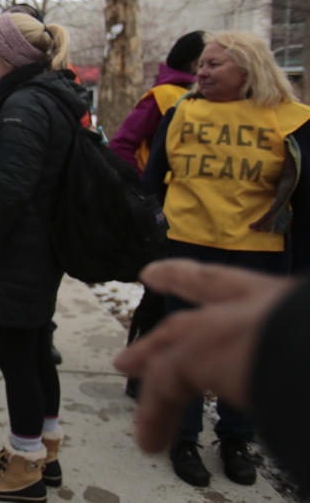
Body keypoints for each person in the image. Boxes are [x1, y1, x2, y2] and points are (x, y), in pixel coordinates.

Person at [140, 30, 310, 489]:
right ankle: (184, 438)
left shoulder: (289, 119)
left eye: (215, 64)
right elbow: (153, 178)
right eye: (202, 64)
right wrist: (157, 224)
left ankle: (235, 438)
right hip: (189, 247)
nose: (202, 71)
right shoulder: (181, 112)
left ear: (248, 69)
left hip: (258, 255)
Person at [0, 12, 88, 501]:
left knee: (17, 358)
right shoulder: (46, 98)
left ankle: (26, 466)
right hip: (38, 250)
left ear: (10, 57)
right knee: (33, 352)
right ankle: (43, 447)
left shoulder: (22, 106)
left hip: (19, 253)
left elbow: (12, 187)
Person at [113, 259, 310, 492]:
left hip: (260, 242)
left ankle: (235, 438)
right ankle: (184, 438)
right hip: (193, 235)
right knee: (188, 340)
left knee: (248, 344)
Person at [109, 30, 203, 399]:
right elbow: (123, 146)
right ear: (195, 63)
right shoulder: (164, 98)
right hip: (169, 217)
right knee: (161, 297)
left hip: (209, 223)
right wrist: (148, 195)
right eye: (206, 60)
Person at [109, 30, 203, 172]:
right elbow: (121, 145)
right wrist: (144, 185)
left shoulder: (221, 98)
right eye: (210, 62)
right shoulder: (162, 95)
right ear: (194, 64)